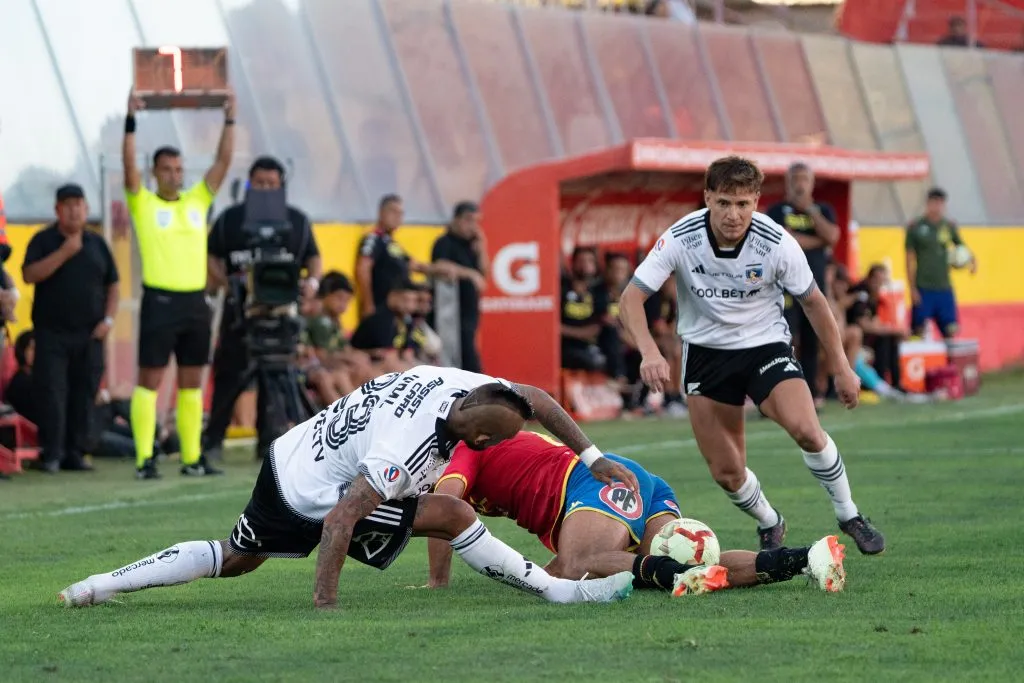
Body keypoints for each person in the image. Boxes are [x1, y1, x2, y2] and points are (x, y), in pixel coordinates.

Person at [59, 366, 641, 609]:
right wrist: (325, 605)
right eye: (491, 441)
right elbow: (339, 520)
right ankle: (557, 592)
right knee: (452, 514)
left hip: (292, 451)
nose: (490, 450)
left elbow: (533, 399)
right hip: (309, 494)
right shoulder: (405, 454)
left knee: (233, 557)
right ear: (482, 435)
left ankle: (97, 587)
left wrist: (590, 455)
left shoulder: (458, 384)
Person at [618, 156, 885, 555]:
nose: (733, 214)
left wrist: (844, 368)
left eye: (743, 204)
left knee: (807, 429)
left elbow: (815, 303)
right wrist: (649, 351)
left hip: (764, 347)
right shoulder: (681, 237)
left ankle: (849, 514)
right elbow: (631, 298)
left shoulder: (776, 242)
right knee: (727, 472)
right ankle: (770, 521)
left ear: (757, 201)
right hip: (706, 357)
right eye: (724, 202)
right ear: (708, 197)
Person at [428, 431, 847, 595]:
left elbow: (445, 507)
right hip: (637, 483)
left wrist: (437, 582)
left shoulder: (465, 448)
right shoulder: (489, 437)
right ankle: (805, 559)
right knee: (699, 563)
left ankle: (672, 577)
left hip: (594, 483)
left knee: (572, 567)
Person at [123, 89, 235, 479]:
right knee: (150, 381)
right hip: (160, 302)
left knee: (191, 383)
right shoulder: (143, 203)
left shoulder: (196, 201)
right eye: (166, 169)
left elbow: (223, 161)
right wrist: (130, 121)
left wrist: (230, 119)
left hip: (194, 304)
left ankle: (192, 459)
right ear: (155, 172)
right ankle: (144, 459)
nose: (174, 174)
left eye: (178, 168)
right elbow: (128, 171)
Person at [204, 156, 323, 460]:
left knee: (278, 381)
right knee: (230, 377)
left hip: (282, 316)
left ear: (282, 186)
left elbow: (313, 257)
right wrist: (228, 284)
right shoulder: (230, 219)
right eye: (259, 183)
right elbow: (211, 255)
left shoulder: (297, 220)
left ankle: (269, 442)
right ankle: (212, 441)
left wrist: (313, 284)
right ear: (248, 184)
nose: (266, 189)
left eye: (272, 184)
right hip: (239, 317)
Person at [21, 185, 118, 473]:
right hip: (52, 334)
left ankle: (76, 452)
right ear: (57, 210)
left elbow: (113, 284)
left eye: (79, 204)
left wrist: (109, 320)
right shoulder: (43, 240)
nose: (75, 210)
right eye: (68, 205)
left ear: (86, 209)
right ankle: (51, 453)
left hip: (90, 334)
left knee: (83, 393)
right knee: (52, 392)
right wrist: (64, 252)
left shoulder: (97, 244)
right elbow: (29, 275)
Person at [765, 163, 840, 409]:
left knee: (812, 341)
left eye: (804, 179)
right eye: (795, 179)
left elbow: (832, 236)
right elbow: (784, 240)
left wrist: (811, 212)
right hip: (782, 288)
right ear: (787, 183)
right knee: (784, 341)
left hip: (813, 288)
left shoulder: (824, 210)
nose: (799, 184)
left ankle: (809, 394)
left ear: (811, 182)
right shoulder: (777, 210)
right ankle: (776, 395)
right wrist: (818, 241)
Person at [356, 195, 459, 320]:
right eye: (393, 211)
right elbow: (363, 269)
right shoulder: (374, 239)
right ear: (381, 213)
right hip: (380, 308)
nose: (397, 217)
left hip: (398, 310)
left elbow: (416, 266)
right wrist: (368, 304)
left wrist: (441, 269)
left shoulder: (393, 245)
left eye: (401, 214)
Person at [905, 187, 976, 340]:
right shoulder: (916, 227)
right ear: (928, 203)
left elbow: (961, 248)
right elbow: (909, 259)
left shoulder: (948, 226)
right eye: (934, 202)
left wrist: (972, 260)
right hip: (923, 287)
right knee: (918, 330)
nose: (937, 207)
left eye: (940, 203)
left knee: (951, 330)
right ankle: (919, 362)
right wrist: (912, 288)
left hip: (944, 287)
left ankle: (951, 364)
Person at [430, 202, 488, 372]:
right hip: (451, 315)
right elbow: (440, 266)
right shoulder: (444, 242)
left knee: (469, 355)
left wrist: (482, 246)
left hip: (469, 314)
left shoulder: (471, 245)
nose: (473, 227)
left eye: (476, 222)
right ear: (456, 219)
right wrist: (469, 274)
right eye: (468, 220)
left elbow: (484, 274)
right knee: (465, 361)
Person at [847, 265, 908, 395]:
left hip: (860, 340)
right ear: (870, 278)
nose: (880, 285)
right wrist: (893, 331)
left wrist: (893, 330)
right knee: (884, 339)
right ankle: (881, 385)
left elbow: (875, 322)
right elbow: (863, 324)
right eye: (877, 280)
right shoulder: (861, 293)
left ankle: (896, 383)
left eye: (882, 281)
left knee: (891, 338)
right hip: (851, 341)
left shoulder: (873, 296)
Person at [350, 278, 422, 373]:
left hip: (389, 364)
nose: (410, 306)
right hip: (366, 365)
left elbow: (408, 354)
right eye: (405, 300)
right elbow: (388, 357)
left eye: (414, 301)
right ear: (392, 296)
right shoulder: (381, 320)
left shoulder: (406, 321)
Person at [561, 247, 608, 372]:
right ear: (573, 263)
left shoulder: (599, 292)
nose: (585, 265)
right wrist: (579, 333)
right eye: (581, 261)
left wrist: (564, 330)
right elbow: (553, 326)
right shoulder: (562, 288)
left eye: (589, 261)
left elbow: (595, 329)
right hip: (565, 347)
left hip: (589, 346)